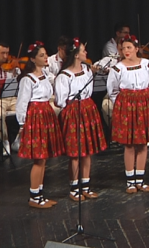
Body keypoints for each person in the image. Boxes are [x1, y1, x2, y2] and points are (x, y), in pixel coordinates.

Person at [55, 38, 107, 201]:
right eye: (83, 51)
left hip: (87, 108)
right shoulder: (64, 75)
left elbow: (89, 91)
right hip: (73, 111)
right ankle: (74, 188)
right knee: (75, 153)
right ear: (76, 55)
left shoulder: (86, 70)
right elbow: (60, 100)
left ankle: (85, 185)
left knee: (87, 151)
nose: (86, 53)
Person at [107, 35, 149, 194]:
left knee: (142, 143)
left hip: (143, 104)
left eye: (129, 47)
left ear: (137, 49)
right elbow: (112, 90)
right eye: (123, 48)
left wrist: (143, 100)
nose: (126, 51)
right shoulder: (118, 68)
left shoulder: (147, 65)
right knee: (129, 144)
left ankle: (140, 180)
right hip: (126, 106)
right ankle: (130, 181)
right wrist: (123, 104)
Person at [15, 42, 64, 208]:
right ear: (33, 59)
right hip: (36, 117)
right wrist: (22, 124)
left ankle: (40, 194)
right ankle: (34, 196)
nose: (45, 58)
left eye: (46, 55)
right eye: (41, 55)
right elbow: (22, 103)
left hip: (46, 114)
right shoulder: (27, 79)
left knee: (44, 159)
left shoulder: (44, 75)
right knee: (39, 158)